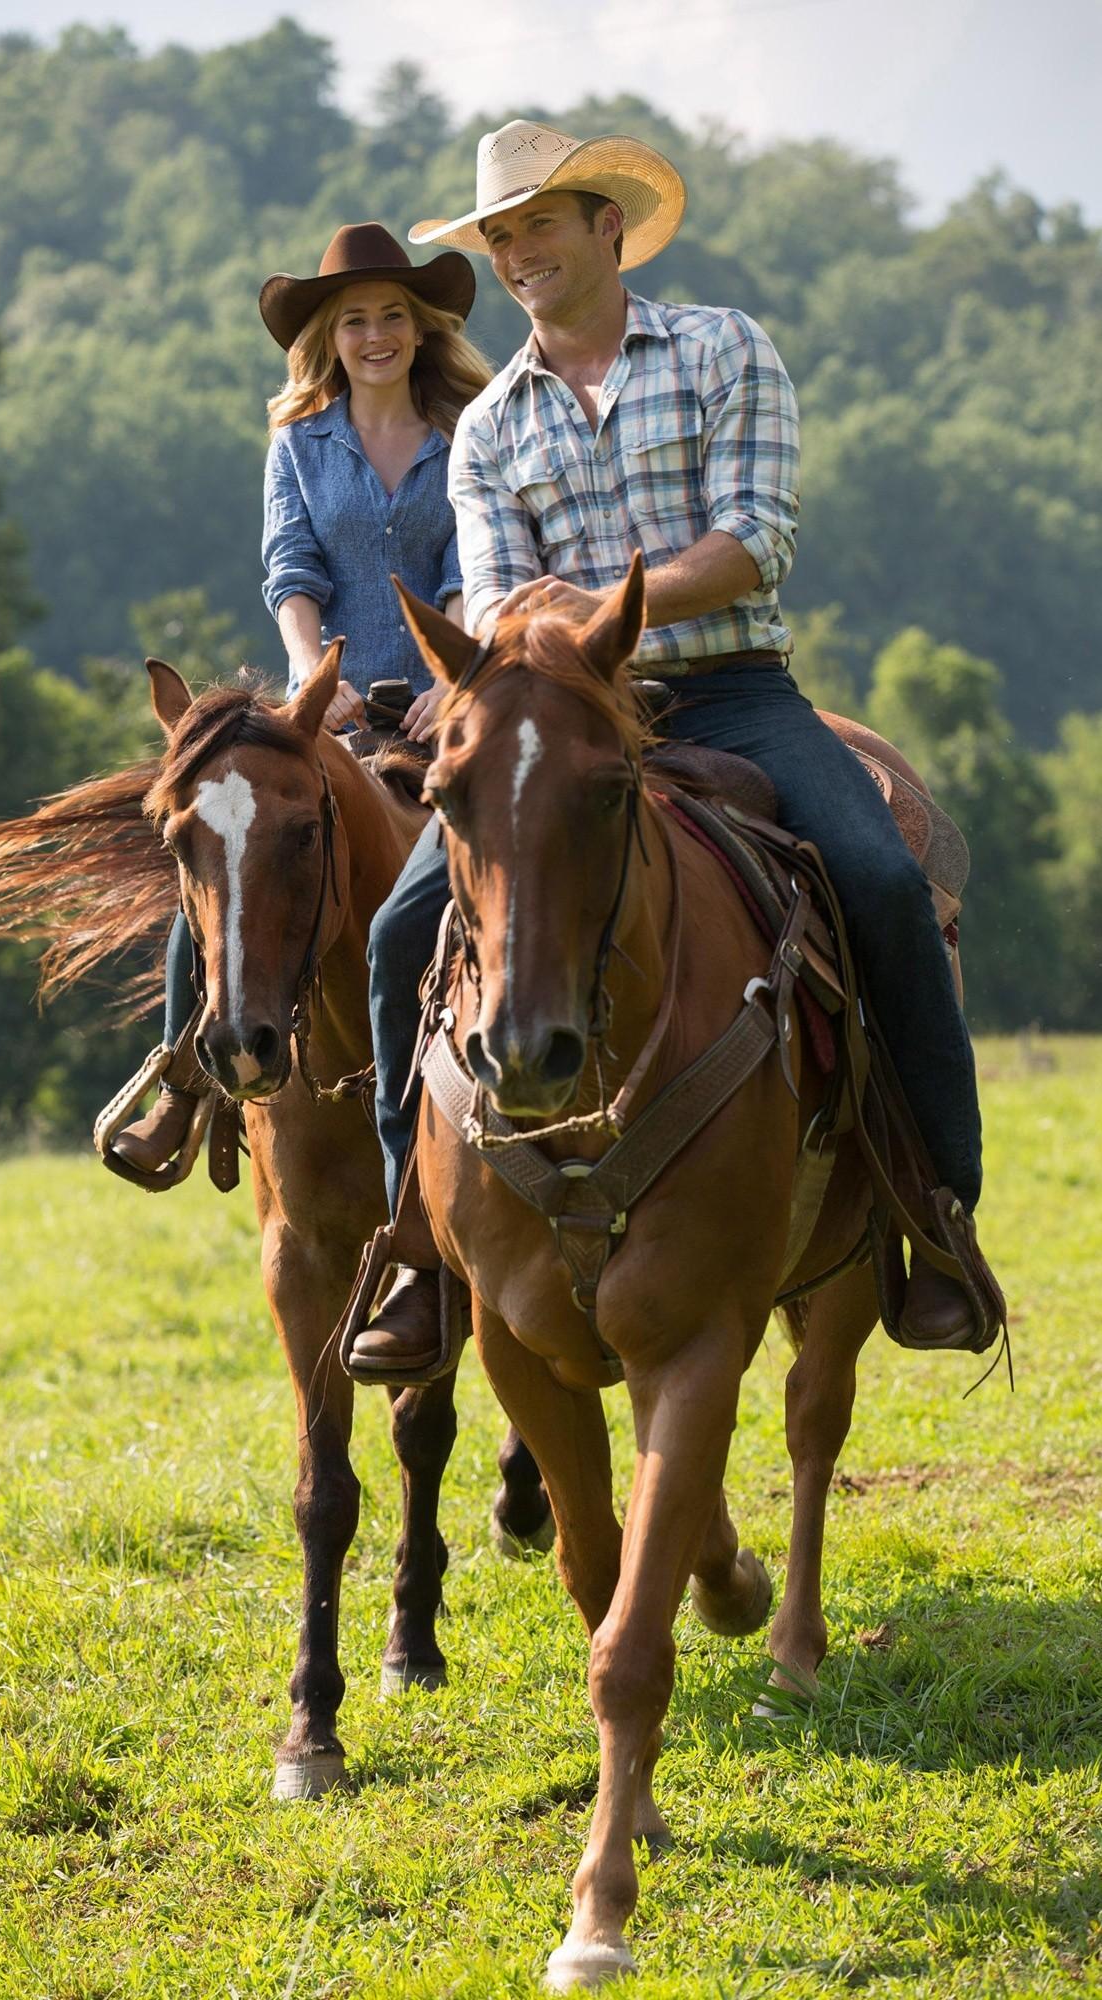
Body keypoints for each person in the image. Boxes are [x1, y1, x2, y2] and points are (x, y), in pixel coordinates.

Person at [347, 120, 986, 1378]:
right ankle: (415, 1257)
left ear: (608, 227)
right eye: (502, 233)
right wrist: (559, 639)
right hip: (562, 719)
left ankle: (937, 1216)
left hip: (731, 694)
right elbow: (487, 600)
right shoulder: (488, 430)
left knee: (884, 883)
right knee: (395, 935)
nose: (520, 251)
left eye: (542, 223)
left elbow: (755, 538)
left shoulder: (723, 349)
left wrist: (594, 611)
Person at [110, 224, 492, 1177]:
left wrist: (449, 680)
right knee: (223, 863)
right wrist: (318, 675)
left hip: (445, 696)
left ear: (421, 328)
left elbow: (466, 565)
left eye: (393, 316)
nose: (376, 335)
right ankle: (179, 1086)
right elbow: (291, 569)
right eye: (355, 319)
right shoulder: (298, 443)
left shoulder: (466, 434)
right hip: (329, 702)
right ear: (328, 337)